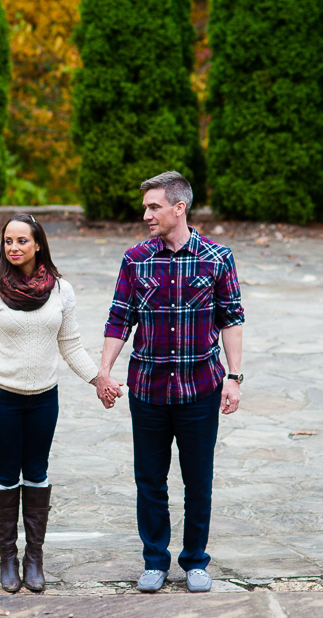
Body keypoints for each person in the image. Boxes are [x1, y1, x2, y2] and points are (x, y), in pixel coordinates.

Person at [96, 171, 244, 593]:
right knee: (150, 479)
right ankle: (155, 560)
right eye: (146, 207)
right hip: (148, 389)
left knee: (198, 479)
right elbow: (119, 318)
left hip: (201, 388)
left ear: (179, 208)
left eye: (154, 206)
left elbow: (231, 319)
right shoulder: (135, 259)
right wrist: (104, 370)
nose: (146, 214)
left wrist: (233, 377)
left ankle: (195, 560)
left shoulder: (217, 258)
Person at [0, 213, 99, 593]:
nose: (13, 247)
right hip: (2, 398)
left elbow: (70, 344)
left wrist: (98, 379)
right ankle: (7, 559)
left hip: (44, 399)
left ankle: (34, 559)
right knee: (7, 473)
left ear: (38, 244)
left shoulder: (61, 290)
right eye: (8, 241)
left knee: (38, 473)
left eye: (21, 241)